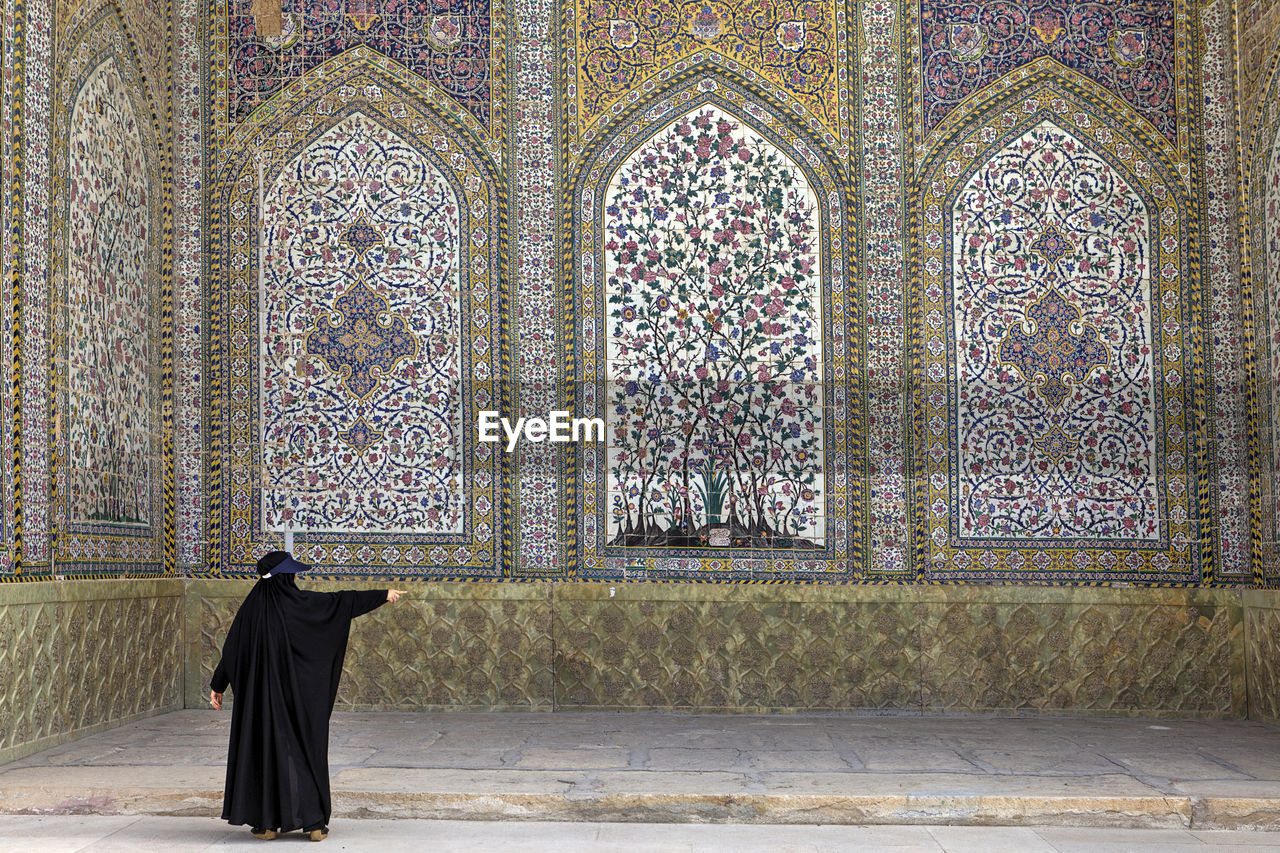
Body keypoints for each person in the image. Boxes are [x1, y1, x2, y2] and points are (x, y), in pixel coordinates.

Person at [209, 551, 407, 841]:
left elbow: (232, 652)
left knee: (265, 751)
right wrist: (383, 594)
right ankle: (313, 823)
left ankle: (266, 825)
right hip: (299, 699)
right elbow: (341, 602)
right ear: (285, 577)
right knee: (302, 749)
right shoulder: (302, 605)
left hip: (262, 704)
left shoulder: (250, 611)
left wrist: (218, 684)